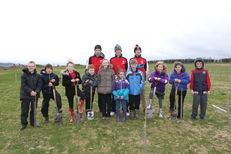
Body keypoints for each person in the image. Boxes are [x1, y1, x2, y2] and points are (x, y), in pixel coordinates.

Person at [19, 61, 42, 130]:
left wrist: (36, 92)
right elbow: (23, 85)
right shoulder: (24, 75)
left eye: (32, 66)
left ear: (35, 67)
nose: (30, 67)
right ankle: (24, 124)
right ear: (27, 66)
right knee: (24, 110)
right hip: (25, 95)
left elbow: (39, 85)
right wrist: (30, 91)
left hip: (35, 95)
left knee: (33, 110)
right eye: (29, 66)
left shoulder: (38, 76)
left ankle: (33, 122)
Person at [110, 44, 128, 116]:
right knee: (114, 94)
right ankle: (113, 109)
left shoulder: (124, 59)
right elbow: (111, 68)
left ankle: (125, 110)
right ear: (115, 51)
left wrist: (124, 76)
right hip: (115, 79)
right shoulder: (112, 59)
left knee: (124, 94)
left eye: (119, 50)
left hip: (123, 78)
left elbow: (126, 69)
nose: (118, 51)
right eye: (116, 50)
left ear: (121, 51)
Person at [131, 44, 148, 112]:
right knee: (134, 94)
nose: (138, 52)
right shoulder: (132, 59)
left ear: (140, 52)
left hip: (141, 80)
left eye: (139, 51)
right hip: (133, 80)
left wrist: (144, 80)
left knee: (142, 94)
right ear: (134, 52)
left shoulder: (144, 60)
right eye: (136, 51)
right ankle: (134, 108)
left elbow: (145, 70)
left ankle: (144, 108)